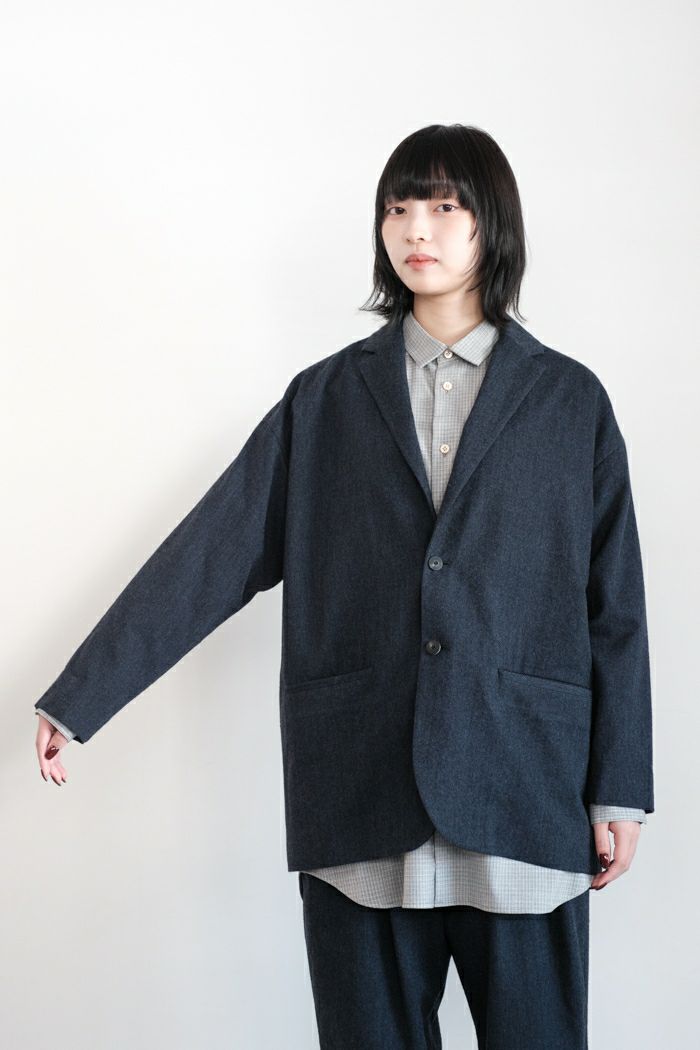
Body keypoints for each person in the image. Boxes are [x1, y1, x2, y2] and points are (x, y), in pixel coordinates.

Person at [34, 123, 654, 1049]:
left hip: (524, 794)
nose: (416, 229)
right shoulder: (324, 400)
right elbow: (213, 552)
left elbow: (616, 610)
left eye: (444, 206)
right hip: (361, 801)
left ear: (493, 223)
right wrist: (82, 696)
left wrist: (618, 791)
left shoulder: (571, 402)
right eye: (398, 208)